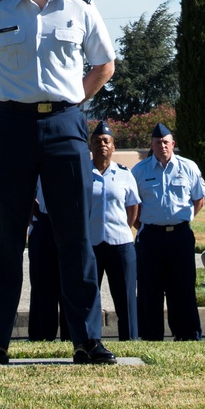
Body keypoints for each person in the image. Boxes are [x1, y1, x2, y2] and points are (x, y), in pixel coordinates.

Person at [0, 0, 116, 367]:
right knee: (7, 237)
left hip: (65, 129)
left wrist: (71, 104)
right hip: (12, 129)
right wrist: (6, 102)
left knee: (74, 237)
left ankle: (87, 339)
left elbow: (104, 65)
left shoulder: (81, 7)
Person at [131, 122, 205, 341]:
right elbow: (133, 205)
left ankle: (187, 333)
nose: (162, 146)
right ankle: (150, 335)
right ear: (152, 145)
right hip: (151, 237)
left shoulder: (188, 167)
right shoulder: (140, 170)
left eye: (166, 142)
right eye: (158, 142)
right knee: (149, 288)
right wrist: (144, 225)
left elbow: (199, 198)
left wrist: (186, 219)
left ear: (173, 144)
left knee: (183, 286)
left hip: (180, 237)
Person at [89, 120, 139, 341]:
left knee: (126, 298)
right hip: (91, 244)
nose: (102, 145)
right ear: (91, 146)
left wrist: (122, 228)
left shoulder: (124, 174)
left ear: (113, 147)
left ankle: (129, 340)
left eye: (106, 141)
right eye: (98, 141)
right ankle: (90, 341)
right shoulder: (83, 172)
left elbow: (133, 207)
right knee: (89, 297)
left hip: (120, 244)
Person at [27, 182, 68, 341]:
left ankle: (70, 337)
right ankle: (42, 336)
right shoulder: (37, 165)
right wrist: (40, 218)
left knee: (68, 286)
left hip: (67, 227)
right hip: (42, 227)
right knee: (42, 286)